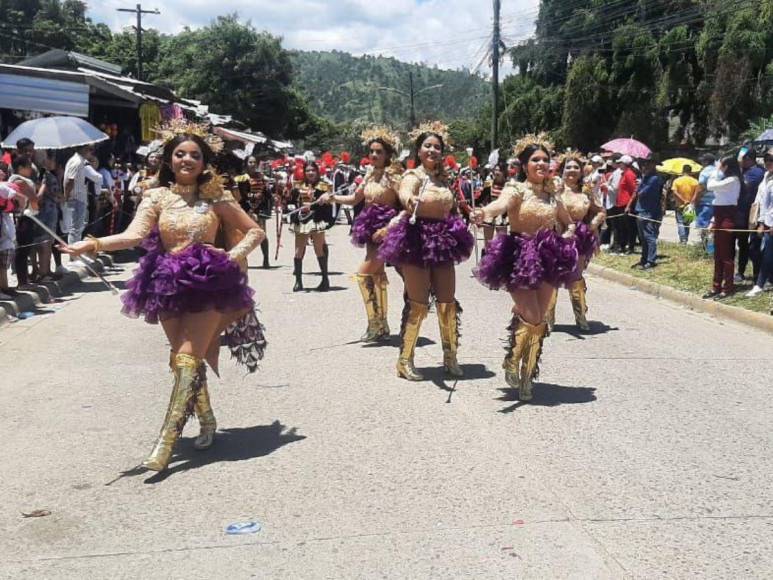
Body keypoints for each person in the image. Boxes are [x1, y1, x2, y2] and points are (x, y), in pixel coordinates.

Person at [59, 122, 266, 472]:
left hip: (209, 283)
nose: (187, 159)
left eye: (195, 155)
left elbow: (254, 231)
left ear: (204, 162)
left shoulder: (217, 196)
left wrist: (227, 259)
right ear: (169, 160)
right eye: (180, 154)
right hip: (168, 283)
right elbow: (133, 235)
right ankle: (208, 418)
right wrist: (91, 244)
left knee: (187, 357)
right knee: (182, 358)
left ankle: (165, 441)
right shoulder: (156, 196)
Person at [473, 134, 577, 402]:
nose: (541, 164)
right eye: (535, 160)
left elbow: (569, 222)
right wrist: (485, 213)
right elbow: (500, 205)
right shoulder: (516, 189)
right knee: (530, 314)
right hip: (519, 253)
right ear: (524, 164)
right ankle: (512, 359)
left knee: (540, 319)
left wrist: (568, 234)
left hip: (549, 257)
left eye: (545, 159)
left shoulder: (553, 194)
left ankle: (528, 374)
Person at [379, 121, 474, 381]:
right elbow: (405, 194)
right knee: (418, 304)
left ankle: (450, 356)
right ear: (418, 151)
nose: (432, 150)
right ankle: (405, 359)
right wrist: (411, 201)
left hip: (443, 240)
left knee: (447, 302)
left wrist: (469, 214)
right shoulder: (413, 177)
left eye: (437, 147)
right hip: (416, 241)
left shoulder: (443, 179)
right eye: (427, 146)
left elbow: (452, 207)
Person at [320, 126, 402, 342]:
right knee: (375, 275)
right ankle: (380, 325)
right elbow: (355, 199)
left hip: (387, 229)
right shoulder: (368, 175)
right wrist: (332, 198)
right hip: (369, 225)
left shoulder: (394, 177)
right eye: (372, 151)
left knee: (364, 274)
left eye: (379, 152)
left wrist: (391, 227)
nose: (374, 155)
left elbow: (405, 203)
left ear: (388, 155)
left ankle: (376, 324)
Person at [547, 153, 606, 331]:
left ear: (581, 171)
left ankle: (580, 316)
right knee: (552, 278)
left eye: (576, 167)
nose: (572, 171)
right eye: (568, 167)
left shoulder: (586, 190)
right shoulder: (553, 189)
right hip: (556, 235)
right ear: (562, 171)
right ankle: (548, 318)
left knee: (576, 278)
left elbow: (601, 210)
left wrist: (592, 225)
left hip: (579, 238)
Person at [289, 161, 335, 292]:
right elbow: (291, 202)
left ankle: (325, 280)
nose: (310, 173)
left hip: (316, 220)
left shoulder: (324, 186)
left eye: (313, 170)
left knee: (319, 250)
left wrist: (325, 199)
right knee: (298, 251)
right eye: (308, 170)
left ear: (317, 171)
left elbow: (331, 202)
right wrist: (291, 206)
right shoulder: (298, 186)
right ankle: (298, 281)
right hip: (302, 221)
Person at [703, 157, 742, 299]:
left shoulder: (733, 180)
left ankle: (728, 287)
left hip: (727, 218)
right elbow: (717, 199)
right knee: (717, 255)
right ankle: (716, 286)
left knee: (726, 256)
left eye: (721, 165)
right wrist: (713, 221)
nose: (719, 167)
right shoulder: (726, 179)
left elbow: (710, 186)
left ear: (727, 166)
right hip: (719, 216)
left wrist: (715, 171)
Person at [234, 156, 273, 268]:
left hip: (259, 208)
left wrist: (269, 195)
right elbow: (241, 194)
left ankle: (266, 259)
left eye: (254, 162)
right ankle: (241, 259)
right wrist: (252, 197)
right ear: (246, 164)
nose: (252, 164)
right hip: (246, 208)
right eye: (250, 162)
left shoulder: (262, 177)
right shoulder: (241, 178)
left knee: (262, 234)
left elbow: (266, 193)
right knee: (241, 235)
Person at [745, 149, 773, 298]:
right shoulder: (766, 176)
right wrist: (761, 222)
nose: (769, 162)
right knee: (756, 250)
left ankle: (760, 284)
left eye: (772, 159)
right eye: (767, 158)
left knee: (767, 254)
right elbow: (762, 200)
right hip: (765, 221)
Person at [63, 145, 103, 247]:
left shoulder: (79, 161)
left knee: (78, 227)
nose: (91, 153)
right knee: (75, 229)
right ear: (84, 150)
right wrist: (66, 197)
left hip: (79, 198)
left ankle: (75, 253)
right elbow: (70, 181)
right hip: (76, 198)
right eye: (90, 150)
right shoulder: (78, 161)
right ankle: (74, 255)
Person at [628, 158, 664, 270]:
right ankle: (644, 258)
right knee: (643, 238)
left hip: (650, 211)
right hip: (641, 209)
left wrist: (641, 183)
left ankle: (651, 260)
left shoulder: (655, 178)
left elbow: (642, 192)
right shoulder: (646, 177)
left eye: (648, 164)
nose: (645, 166)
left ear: (654, 165)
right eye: (644, 164)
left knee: (649, 236)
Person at [33, 151, 64, 280]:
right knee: (46, 243)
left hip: (43, 212)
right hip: (48, 213)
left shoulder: (44, 175)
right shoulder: (46, 176)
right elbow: (58, 196)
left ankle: (44, 270)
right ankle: (44, 272)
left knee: (44, 243)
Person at [737, 151, 765, 283]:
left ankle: (757, 275)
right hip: (742, 214)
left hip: (753, 214)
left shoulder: (758, 173)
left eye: (742, 160)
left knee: (754, 245)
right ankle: (740, 271)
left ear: (749, 159)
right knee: (742, 244)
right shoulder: (743, 171)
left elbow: (745, 186)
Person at [479, 162, 509, 255]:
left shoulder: (508, 186)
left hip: (502, 217)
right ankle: (484, 265)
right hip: (489, 216)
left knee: (502, 243)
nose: (496, 172)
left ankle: (500, 265)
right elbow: (480, 199)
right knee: (488, 244)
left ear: (504, 172)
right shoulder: (488, 185)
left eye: (499, 170)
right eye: (495, 169)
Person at [694, 153, 717, 251]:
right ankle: (713, 248)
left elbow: (700, 188)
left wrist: (695, 201)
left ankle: (706, 249)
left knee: (704, 227)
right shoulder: (718, 171)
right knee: (714, 227)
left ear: (706, 162)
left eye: (702, 161)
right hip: (717, 203)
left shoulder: (704, 172)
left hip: (705, 203)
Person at [616, 155, 638, 254]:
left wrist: (629, 205)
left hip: (627, 204)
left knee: (629, 227)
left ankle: (630, 247)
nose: (618, 164)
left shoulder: (629, 174)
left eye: (620, 163)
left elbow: (634, 191)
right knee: (622, 226)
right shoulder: (623, 174)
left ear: (625, 164)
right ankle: (622, 246)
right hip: (621, 203)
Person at [671, 164, 699, 244]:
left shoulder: (677, 181)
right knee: (687, 222)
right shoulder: (695, 181)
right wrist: (691, 201)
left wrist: (683, 200)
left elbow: (674, 192)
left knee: (680, 222)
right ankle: (685, 238)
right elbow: (696, 193)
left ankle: (683, 239)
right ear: (691, 172)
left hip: (679, 205)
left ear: (682, 171)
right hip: (691, 205)